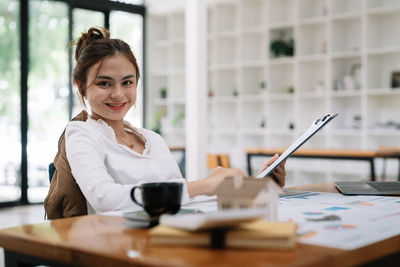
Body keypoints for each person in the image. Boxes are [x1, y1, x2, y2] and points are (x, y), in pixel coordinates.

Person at [47, 27, 286, 215]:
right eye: (104, 83)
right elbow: (106, 199)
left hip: (166, 239)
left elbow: (183, 198)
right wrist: (206, 183)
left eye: (127, 82)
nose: (118, 94)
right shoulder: (81, 133)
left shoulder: (152, 139)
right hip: (119, 247)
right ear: (81, 86)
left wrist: (256, 185)